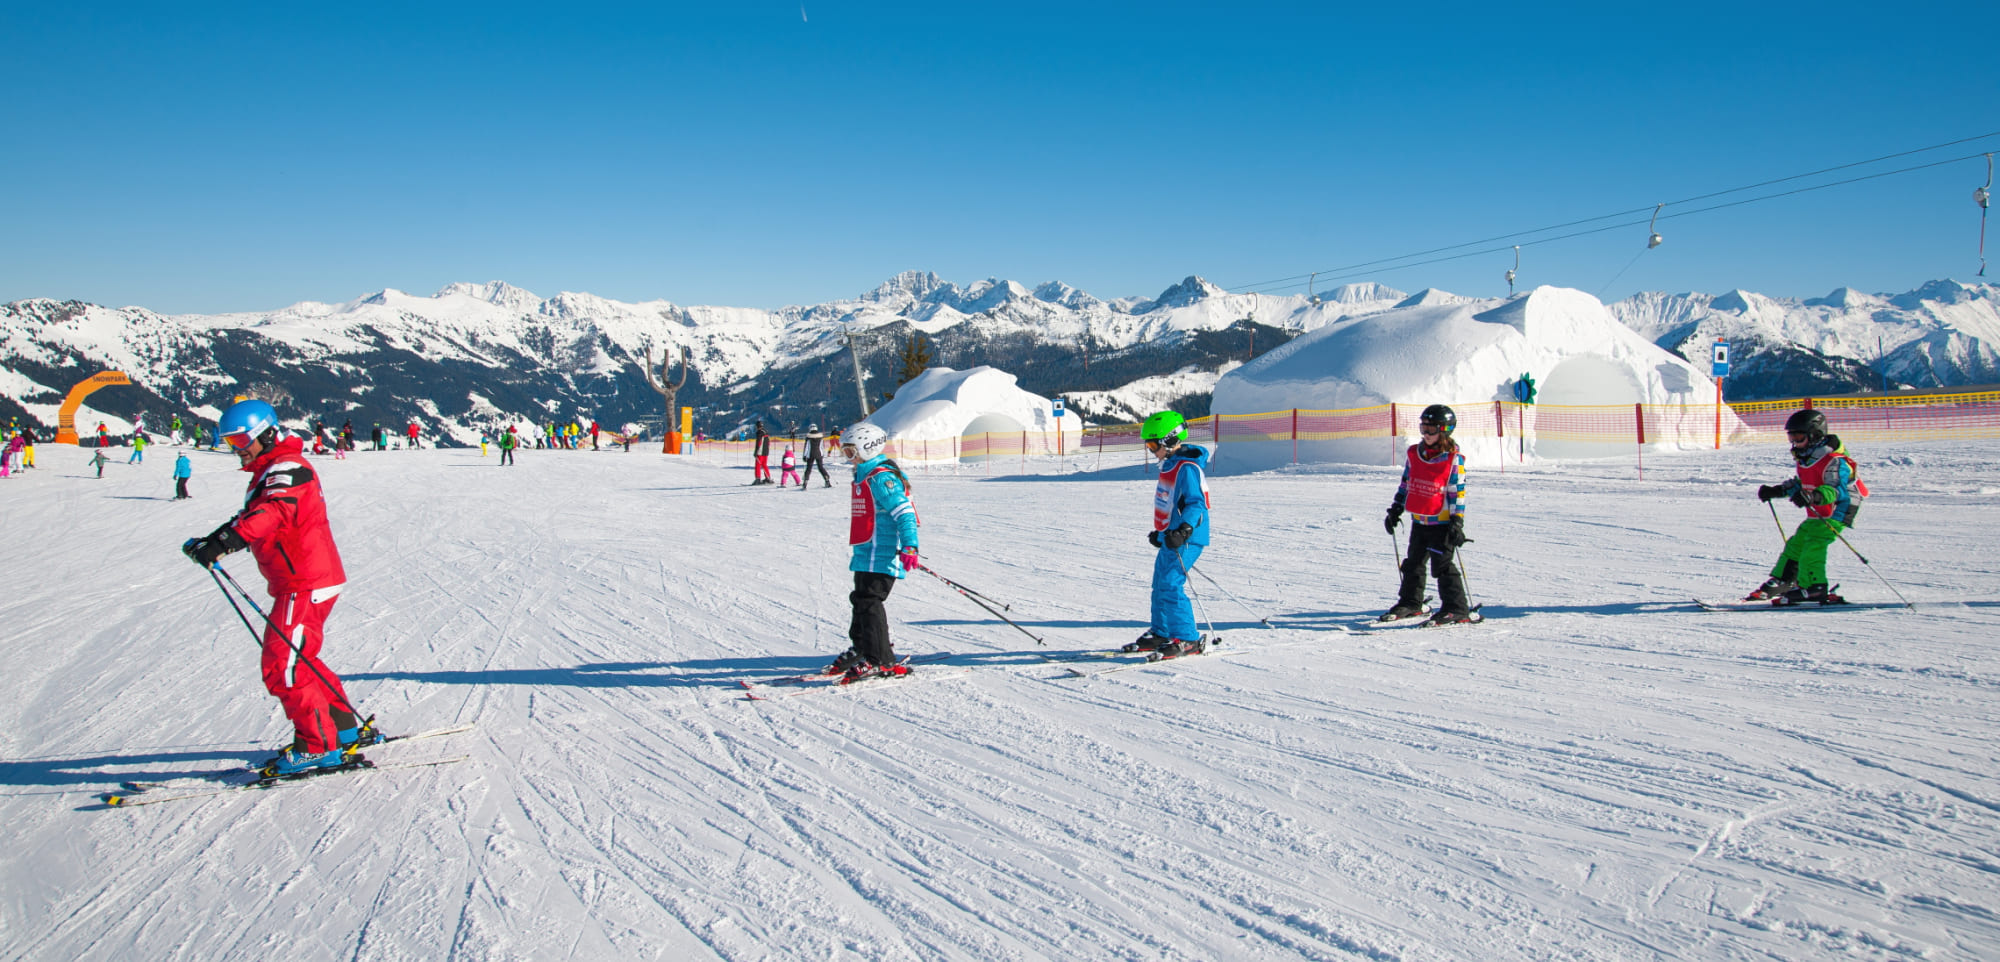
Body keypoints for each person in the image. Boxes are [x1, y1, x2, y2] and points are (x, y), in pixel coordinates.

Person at [180, 399, 375, 776]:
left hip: (303, 581)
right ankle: (344, 730)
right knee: (299, 659)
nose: (236, 449)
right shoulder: (272, 468)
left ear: (265, 434)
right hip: (302, 578)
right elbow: (254, 513)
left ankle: (317, 746)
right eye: (230, 442)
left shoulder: (288, 469)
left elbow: (274, 512)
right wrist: (214, 538)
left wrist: (223, 543)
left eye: (240, 440)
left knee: (281, 667)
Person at [823, 423, 920, 681]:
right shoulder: (865, 474)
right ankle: (863, 647)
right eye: (845, 452)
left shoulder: (881, 477)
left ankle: (881, 660)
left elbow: (905, 512)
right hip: (866, 551)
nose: (848, 458)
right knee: (860, 600)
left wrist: (910, 545)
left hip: (881, 552)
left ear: (867, 448)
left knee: (870, 602)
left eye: (851, 452)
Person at [1750, 409, 1867, 605]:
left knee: (1814, 544)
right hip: (1819, 508)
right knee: (1797, 543)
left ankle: (1814, 587)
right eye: (1791, 436)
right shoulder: (1807, 456)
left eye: (1798, 436)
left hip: (1841, 507)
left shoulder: (1834, 460)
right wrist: (1776, 491)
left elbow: (1837, 489)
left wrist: (1814, 496)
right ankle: (1785, 580)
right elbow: (1802, 483)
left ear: (1814, 434)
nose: (1794, 441)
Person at [1126, 411, 1213, 658]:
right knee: (1160, 584)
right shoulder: (1171, 465)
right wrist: (1161, 532)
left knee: (1171, 584)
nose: (1151, 450)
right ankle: (1161, 632)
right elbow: (1173, 502)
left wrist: (1183, 530)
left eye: (1154, 445)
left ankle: (1187, 638)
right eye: (1149, 445)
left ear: (1170, 440)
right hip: (1172, 535)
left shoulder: (1187, 468)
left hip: (1188, 537)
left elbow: (1196, 504)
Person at [1382, 404, 1474, 625]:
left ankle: (1456, 607)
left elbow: (1457, 492)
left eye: (1431, 430)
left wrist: (1457, 522)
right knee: (1413, 563)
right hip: (1420, 519)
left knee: (1442, 566)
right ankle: (1411, 602)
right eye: (1423, 428)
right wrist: (1396, 508)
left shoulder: (1453, 459)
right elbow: (1407, 482)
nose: (1426, 434)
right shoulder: (1415, 453)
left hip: (1441, 522)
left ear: (1444, 431)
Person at [801, 423, 831, 489]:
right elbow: (822, 447)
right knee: (821, 467)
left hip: (810, 454)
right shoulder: (820, 437)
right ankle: (827, 480)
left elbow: (807, 447)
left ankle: (805, 482)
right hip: (819, 454)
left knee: (809, 468)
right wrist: (822, 454)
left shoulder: (808, 437)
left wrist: (804, 456)